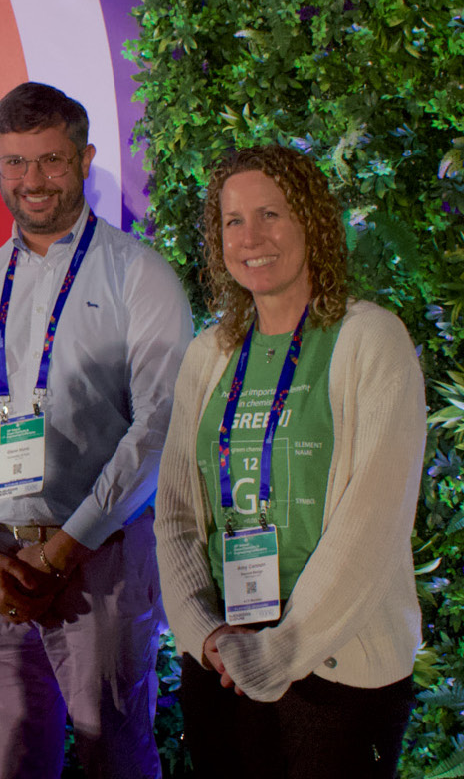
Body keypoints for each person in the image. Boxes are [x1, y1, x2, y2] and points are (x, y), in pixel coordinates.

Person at [0, 82, 193, 778]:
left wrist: (67, 548)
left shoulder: (141, 276)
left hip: (99, 558)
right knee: (10, 761)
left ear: (85, 159)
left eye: (49, 160)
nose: (33, 180)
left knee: (116, 754)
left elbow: (159, 427)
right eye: (15, 162)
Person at [154, 144, 426, 777]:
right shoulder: (209, 354)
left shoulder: (369, 339)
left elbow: (373, 523)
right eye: (233, 220)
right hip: (223, 666)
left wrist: (280, 652)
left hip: (338, 667)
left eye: (272, 214)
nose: (252, 237)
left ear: (312, 222)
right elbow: (175, 515)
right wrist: (205, 633)